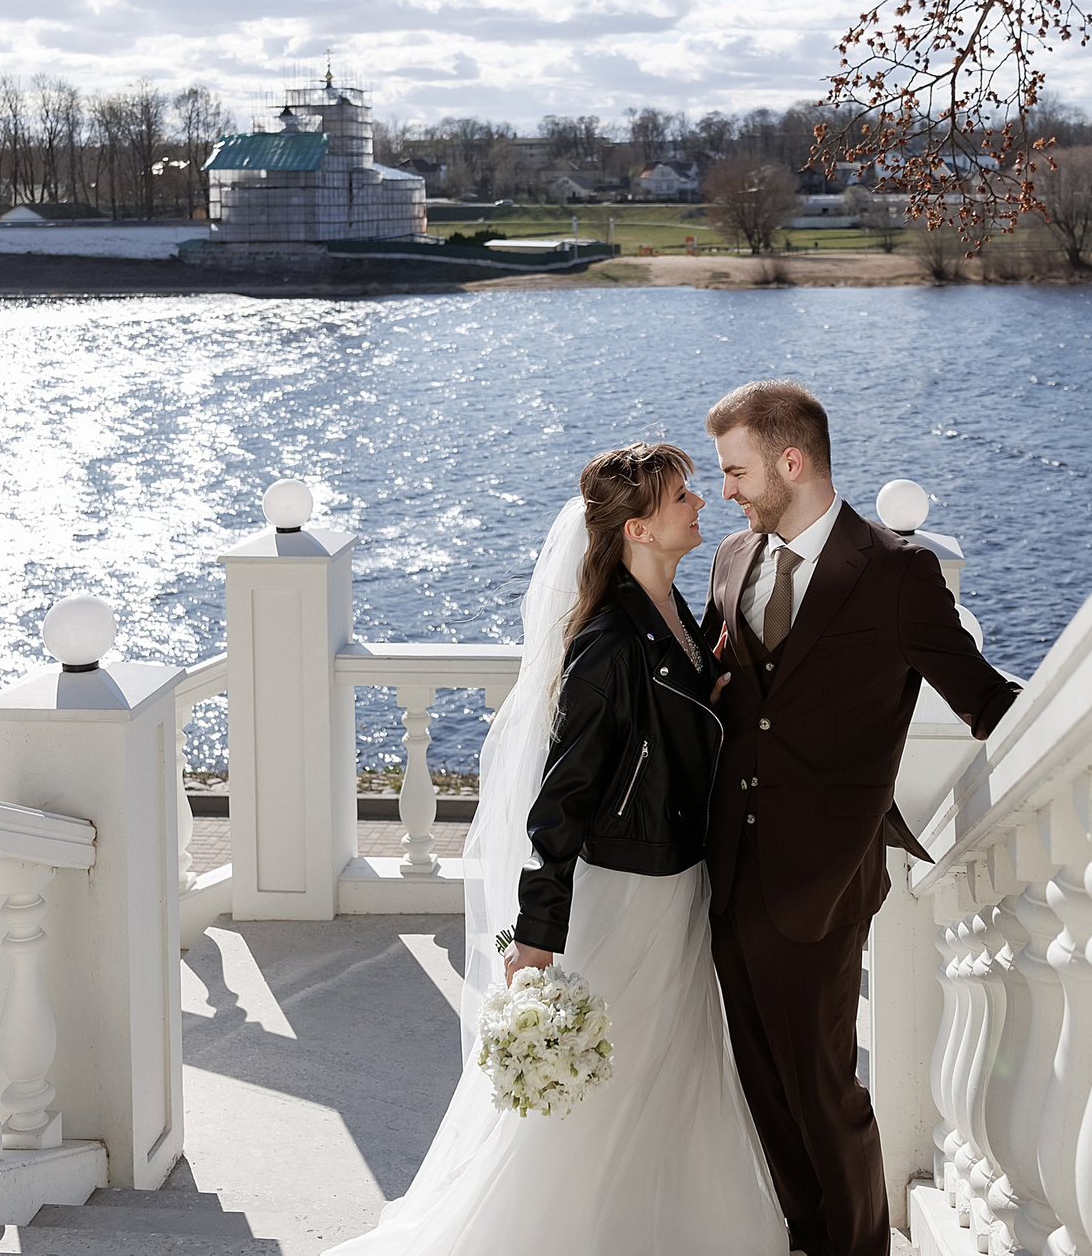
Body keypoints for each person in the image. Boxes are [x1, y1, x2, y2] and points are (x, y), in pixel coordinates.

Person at [325, 442, 785, 1255]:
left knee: (672, 1072)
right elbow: (561, 801)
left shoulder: (681, 617)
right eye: (682, 495)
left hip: (680, 884)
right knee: (610, 1082)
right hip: (629, 894)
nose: (700, 504)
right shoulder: (607, 645)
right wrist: (535, 939)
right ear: (638, 527)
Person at [701, 381, 1023, 1256]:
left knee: (824, 1091)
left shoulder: (894, 573)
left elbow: (985, 699)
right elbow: (721, 693)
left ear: (791, 462)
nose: (724, 489)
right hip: (730, 871)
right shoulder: (733, 559)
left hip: (827, 876)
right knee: (762, 1085)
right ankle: (807, 1241)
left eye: (736, 471)